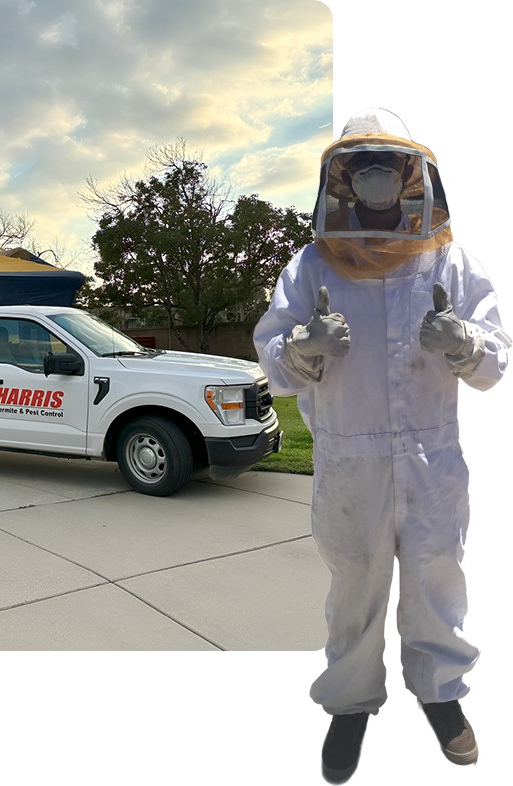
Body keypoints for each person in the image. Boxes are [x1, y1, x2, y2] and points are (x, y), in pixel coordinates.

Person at [253, 108, 509, 784]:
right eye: (362, 169)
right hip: (348, 458)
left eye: (387, 169)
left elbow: (496, 353)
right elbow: (272, 358)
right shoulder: (312, 265)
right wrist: (301, 347)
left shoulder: (453, 263)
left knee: (436, 577)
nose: (375, 182)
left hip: (431, 456)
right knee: (355, 585)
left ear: (411, 178)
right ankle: (351, 704)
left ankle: (441, 694)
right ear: (343, 179)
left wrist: (465, 341)